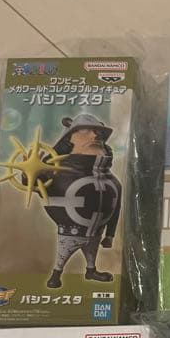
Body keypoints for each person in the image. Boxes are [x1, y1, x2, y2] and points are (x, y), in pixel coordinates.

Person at [42, 112, 122, 289]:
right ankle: (56, 274)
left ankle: (91, 270)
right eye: (86, 131)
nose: (95, 136)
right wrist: (32, 172)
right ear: (68, 140)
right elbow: (35, 183)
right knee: (62, 257)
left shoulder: (113, 182)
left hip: (96, 232)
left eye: (98, 133)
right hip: (69, 231)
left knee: (91, 254)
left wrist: (109, 235)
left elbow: (116, 208)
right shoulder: (57, 173)